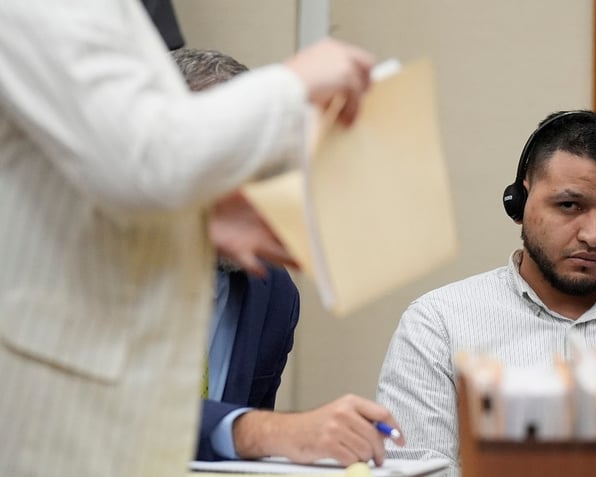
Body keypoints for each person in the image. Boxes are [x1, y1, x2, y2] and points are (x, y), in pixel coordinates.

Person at [0, 0, 390, 475]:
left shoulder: (272, 293)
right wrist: (295, 82)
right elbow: (145, 159)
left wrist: (202, 220)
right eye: (229, 157)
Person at [375, 110, 596, 475]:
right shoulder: (438, 323)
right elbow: (412, 470)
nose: (593, 235)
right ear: (519, 203)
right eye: (569, 206)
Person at [173, 47, 406, 465]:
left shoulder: (274, 293)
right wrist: (273, 431)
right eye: (233, 163)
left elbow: (237, 453)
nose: (258, 190)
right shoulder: (95, 261)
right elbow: (100, 407)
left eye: (266, 165)